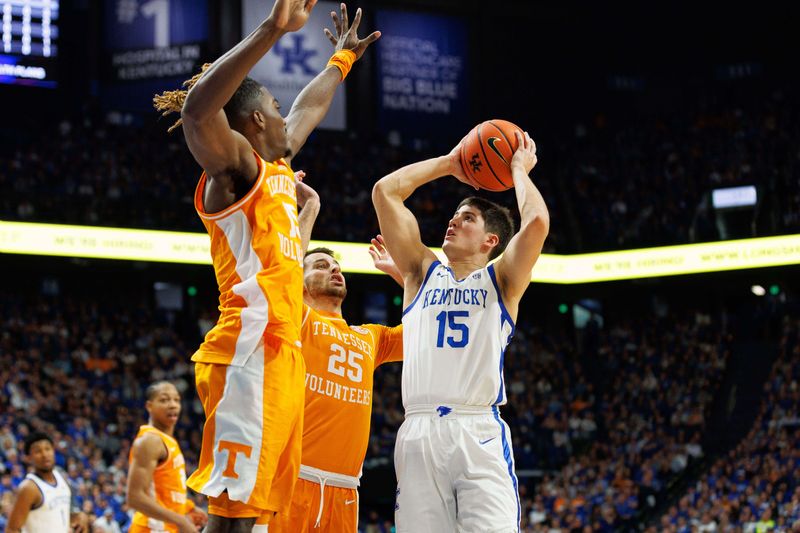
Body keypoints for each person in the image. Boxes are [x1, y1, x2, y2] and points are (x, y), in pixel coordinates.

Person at [151, 0, 379, 530]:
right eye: (275, 105)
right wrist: (272, 29)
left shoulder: (276, 168)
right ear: (255, 120)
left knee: (257, 516)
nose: (285, 114)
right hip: (249, 350)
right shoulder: (232, 170)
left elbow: (306, 112)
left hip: (283, 357)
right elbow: (197, 114)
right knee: (231, 515)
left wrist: (340, 62)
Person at [372, 131, 548, 532]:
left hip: (476, 431)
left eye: (467, 218)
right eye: (454, 215)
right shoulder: (419, 273)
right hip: (417, 431)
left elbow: (536, 222)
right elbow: (385, 192)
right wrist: (451, 164)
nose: (453, 221)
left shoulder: (501, 279)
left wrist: (518, 169)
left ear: (491, 240)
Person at [262, 205, 404, 531]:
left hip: (346, 489)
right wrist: (309, 209)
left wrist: (402, 274)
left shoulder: (370, 336)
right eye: (322, 266)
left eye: (337, 267)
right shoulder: (298, 319)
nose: (334, 271)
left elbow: (428, 327)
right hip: (291, 479)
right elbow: (283, 272)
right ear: (302, 279)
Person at [126, 382, 207, 533]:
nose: (173, 405)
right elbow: (134, 497)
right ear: (149, 406)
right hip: (150, 528)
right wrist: (181, 521)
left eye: (176, 400)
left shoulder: (168, 441)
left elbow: (164, 491)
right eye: (164, 400)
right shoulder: (150, 441)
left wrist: (188, 507)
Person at [6, 432, 88, 533]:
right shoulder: (29, 488)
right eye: (38, 451)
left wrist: (80, 516)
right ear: (28, 458)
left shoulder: (61, 478)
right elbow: (12, 529)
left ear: (53, 451)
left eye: (47, 449)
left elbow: (60, 514)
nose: (44, 454)